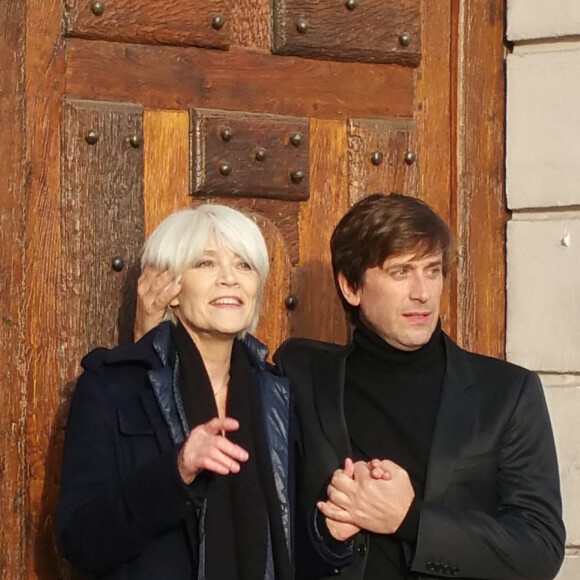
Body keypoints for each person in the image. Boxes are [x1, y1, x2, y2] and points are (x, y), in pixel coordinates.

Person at [133, 194, 566, 580]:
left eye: (432, 271)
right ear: (351, 285)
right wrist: (149, 334)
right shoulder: (299, 373)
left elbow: (540, 550)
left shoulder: (507, 393)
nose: (423, 293)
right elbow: (207, 375)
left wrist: (409, 520)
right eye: (401, 272)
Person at [57, 204, 294, 580]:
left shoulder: (279, 394)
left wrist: (331, 535)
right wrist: (176, 470)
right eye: (206, 263)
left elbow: (294, 545)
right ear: (171, 288)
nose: (230, 278)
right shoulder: (113, 388)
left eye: (244, 265)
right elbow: (82, 541)